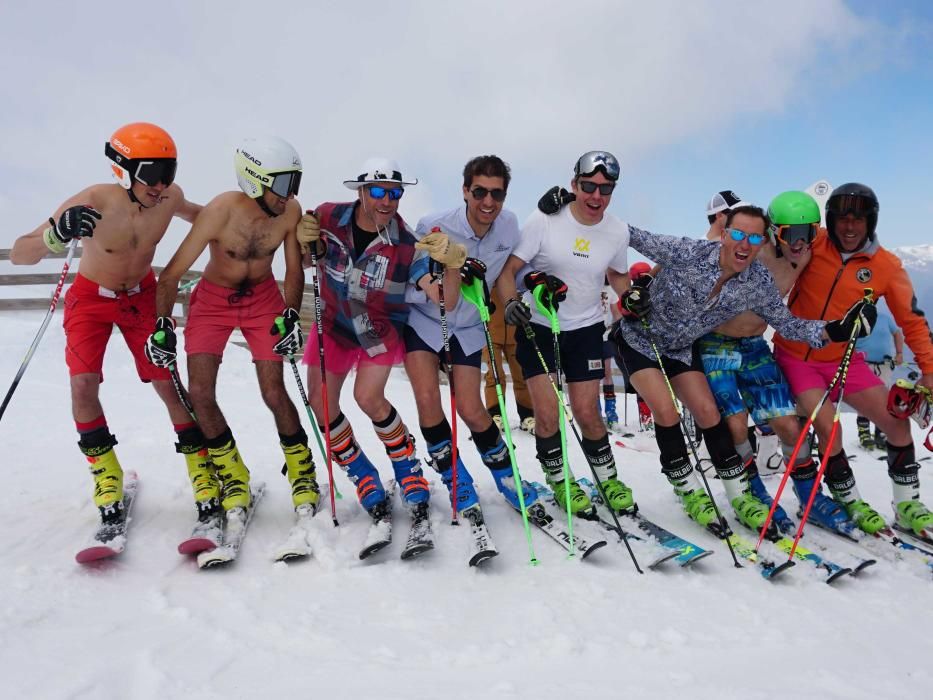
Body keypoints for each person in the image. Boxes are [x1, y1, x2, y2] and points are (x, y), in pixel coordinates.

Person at [610, 204, 870, 535]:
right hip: (638, 339)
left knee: (708, 413)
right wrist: (570, 212)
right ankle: (688, 489)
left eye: (753, 237)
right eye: (737, 234)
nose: (744, 244)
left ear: (763, 241)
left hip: (679, 350)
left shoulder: (756, 280)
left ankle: (742, 497)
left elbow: (786, 323)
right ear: (724, 233)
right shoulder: (691, 252)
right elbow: (626, 234)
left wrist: (835, 330)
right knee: (666, 410)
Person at [10, 122, 201, 525]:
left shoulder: (170, 198)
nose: (161, 184)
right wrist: (55, 236)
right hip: (91, 299)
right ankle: (106, 474)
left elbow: (206, 218)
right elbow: (19, 255)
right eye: (151, 173)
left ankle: (201, 468)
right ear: (123, 169)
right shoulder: (95, 200)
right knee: (83, 383)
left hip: (141, 297)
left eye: (170, 172)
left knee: (168, 382)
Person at [148, 136, 317, 523]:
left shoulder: (289, 212)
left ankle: (302, 472)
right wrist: (162, 324)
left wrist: (290, 314)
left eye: (296, 183)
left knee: (274, 392)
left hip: (262, 300)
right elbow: (171, 274)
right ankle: (233, 474)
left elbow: (293, 269)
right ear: (255, 180)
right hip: (212, 302)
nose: (291, 194)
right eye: (285, 184)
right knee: (201, 393)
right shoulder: (220, 212)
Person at [295, 158, 451, 519]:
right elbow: (304, 257)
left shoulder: (408, 243)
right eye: (378, 191)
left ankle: (406, 465)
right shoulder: (330, 217)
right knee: (321, 405)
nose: (387, 201)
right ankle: (362, 473)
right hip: (334, 323)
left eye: (394, 193)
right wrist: (303, 243)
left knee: (367, 396)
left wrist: (449, 266)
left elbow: (439, 294)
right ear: (361, 192)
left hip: (377, 326)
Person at [774, 183, 933, 537]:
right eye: (842, 219)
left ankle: (907, 507)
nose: (849, 227)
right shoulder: (812, 242)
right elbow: (772, 246)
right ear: (829, 220)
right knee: (829, 425)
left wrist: (929, 370)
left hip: (845, 359)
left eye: (858, 220)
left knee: (895, 422)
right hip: (797, 355)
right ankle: (848, 499)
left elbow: (912, 320)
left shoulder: (886, 266)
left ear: (871, 222)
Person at [694, 191, 852, 533]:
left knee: (788, 425)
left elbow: (839, 239)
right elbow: (711, 241)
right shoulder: (754, 246)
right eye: (788, 234)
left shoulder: (807, 250)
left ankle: (811, 496)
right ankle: (753, 492)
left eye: (805, 234)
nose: (798, 243)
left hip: (754, 345)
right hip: (715, 342)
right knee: (735, 422)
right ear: (773, 231)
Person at [495, 150, 634, 515]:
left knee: (588, 412)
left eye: (605, 189)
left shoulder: (617, 230)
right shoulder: (545, 219)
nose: (596, 196)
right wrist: (512, 303)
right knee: (547, 413)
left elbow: (618, 274)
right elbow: (510, 270)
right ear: (574, 184)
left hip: (586, 327)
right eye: (589, 186)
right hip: (539, 325)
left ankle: (608, 478)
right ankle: (560, 479)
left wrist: (630, 295)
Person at [405, 155, 537, 512]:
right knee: (429, 400)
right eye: (480, 192)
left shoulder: (509, 227)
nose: (488, 202)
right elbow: (416, 273)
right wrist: (440, 273)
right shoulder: (434, 224)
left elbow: (518, 270)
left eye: (497, 194)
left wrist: (521, 296)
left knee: (472, 408)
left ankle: (508, 477)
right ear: (465, 190)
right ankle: (455, 480)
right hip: (426, 320)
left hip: (467, 326)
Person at [484, 291, 535, 434]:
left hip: (515, 332)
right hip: (490, 331)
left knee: (521, 375)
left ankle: (527, 415)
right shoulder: (489, 273)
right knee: (495, 374)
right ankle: (495, 414)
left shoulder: (512, 273)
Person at [854, 310, 904, 449]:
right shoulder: (855, 318)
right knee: (864, 397)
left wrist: (899, 353)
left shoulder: (885, 318)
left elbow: (897, 333)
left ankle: (880, 433)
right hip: (862, 364)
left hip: (885, 365)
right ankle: (864, 431)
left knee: (884, 400)